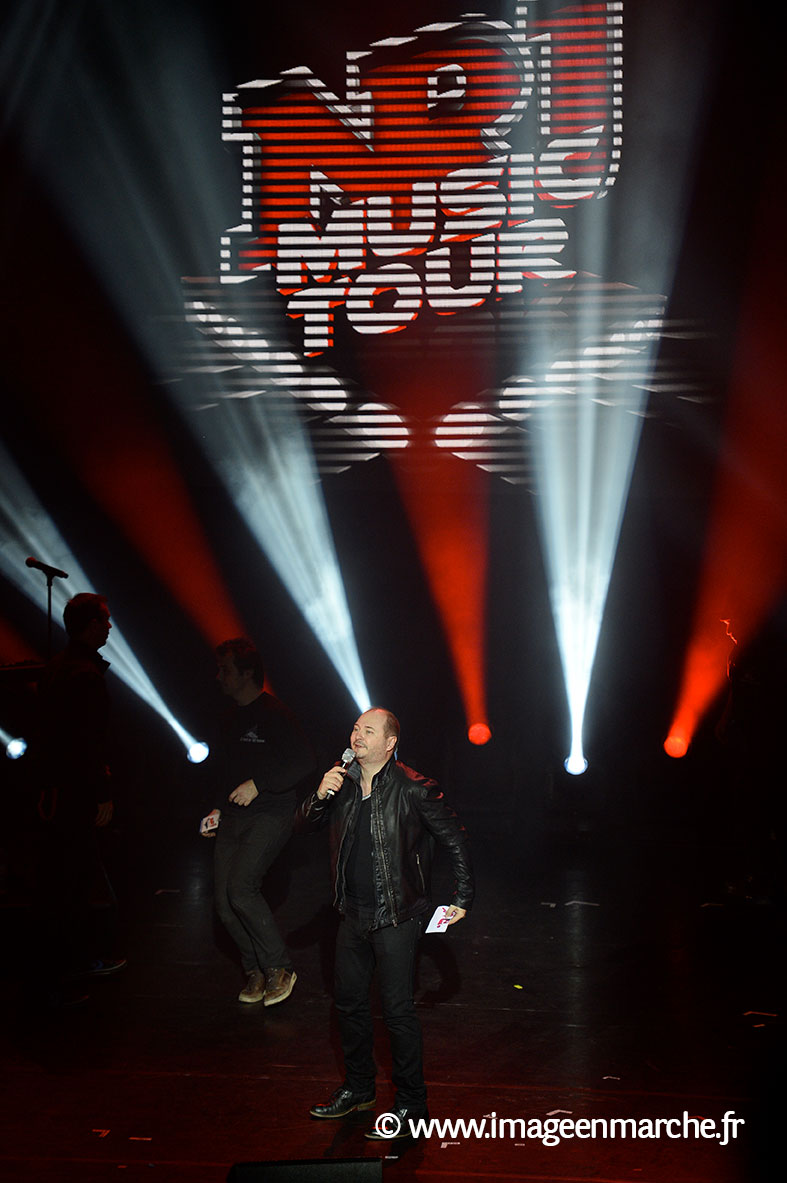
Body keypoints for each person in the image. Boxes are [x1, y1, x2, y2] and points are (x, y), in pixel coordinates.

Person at [300, 707, 474, 1138]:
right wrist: (319, 795)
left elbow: (455, 840)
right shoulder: (340, 784)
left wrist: (463, 897)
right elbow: (304, 825)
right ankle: (359, 1089)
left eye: (368, 731)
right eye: (355, 728)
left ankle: (413, 1106)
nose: (357, 736)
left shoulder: (415, 789)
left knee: (397, 1013)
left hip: (397, 915)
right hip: (351, 914)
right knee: (349, 1007)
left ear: (390, 742)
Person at [204, 638, 314, 1006]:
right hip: (233, 817)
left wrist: (258, 784)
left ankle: (279, 967)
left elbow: (304, 761)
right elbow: (222, 770)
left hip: (272, 813)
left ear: (247, 673)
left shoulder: (276, 714)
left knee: (241, 889)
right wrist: (216, 808)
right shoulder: (226, 717)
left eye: (226, 670)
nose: (219, 677)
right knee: (222, 902)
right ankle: (255, 970)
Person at [33, 592, 125, 1004]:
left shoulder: (56, 668)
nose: (109, 627)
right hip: (76, 791)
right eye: (104, 621)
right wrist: (102, 792)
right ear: (91, 625)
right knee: (77, 879)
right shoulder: (84, 675)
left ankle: (57, 963)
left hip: (53, 789)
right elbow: (89, 743)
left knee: (60, 877)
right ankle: (75, 962)